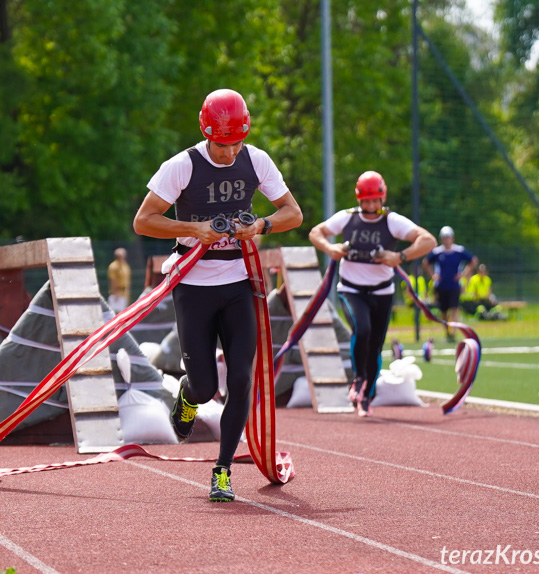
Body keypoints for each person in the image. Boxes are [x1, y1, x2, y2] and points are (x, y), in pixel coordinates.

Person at [133, 88, 302, 502]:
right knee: (207, 386)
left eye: (236, 143)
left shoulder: (256, 159)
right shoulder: (182, 166)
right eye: (223, 144)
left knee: (242, 379)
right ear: (206, 133)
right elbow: (144, 221)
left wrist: (259, 225)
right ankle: (187, 397)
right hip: (193, 284)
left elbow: (293, 213)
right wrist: (195, 228)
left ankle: (222, 469)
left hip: (239, 282)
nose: (230, 152)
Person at [309, 171, 436, 418]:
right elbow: (316, 232)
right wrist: (330, 248)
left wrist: (399, 257)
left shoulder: (392, 221)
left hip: (382, 292)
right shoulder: (347, 218)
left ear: (382, 198)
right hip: (351, 289)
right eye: (365, 201)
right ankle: (358, 379)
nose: (369, 207)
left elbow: (428, 240)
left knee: (375, 347)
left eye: (374, 201)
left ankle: (367, 396)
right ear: (358, 199)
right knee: (362, 329)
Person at [422, 226, 477, 342]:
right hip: (441, 286)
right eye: (444, 238)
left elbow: (473, 260)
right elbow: (425, 262)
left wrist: (463, 274)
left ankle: (454, 332)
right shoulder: (437, 252)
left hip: (454, 285)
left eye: (448, 237)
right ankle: (447, 331)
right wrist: (433, 275)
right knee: (444, 311)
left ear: (452, 238)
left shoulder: (459, 251)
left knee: (455, 309)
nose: (446, 240)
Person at [106, 247, 131, 313]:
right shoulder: (113, 266)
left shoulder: (125, 265)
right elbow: (113, 281)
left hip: (124, 293)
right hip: (117, 294)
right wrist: (115, 293)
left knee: (123, 314)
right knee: (114, 315)